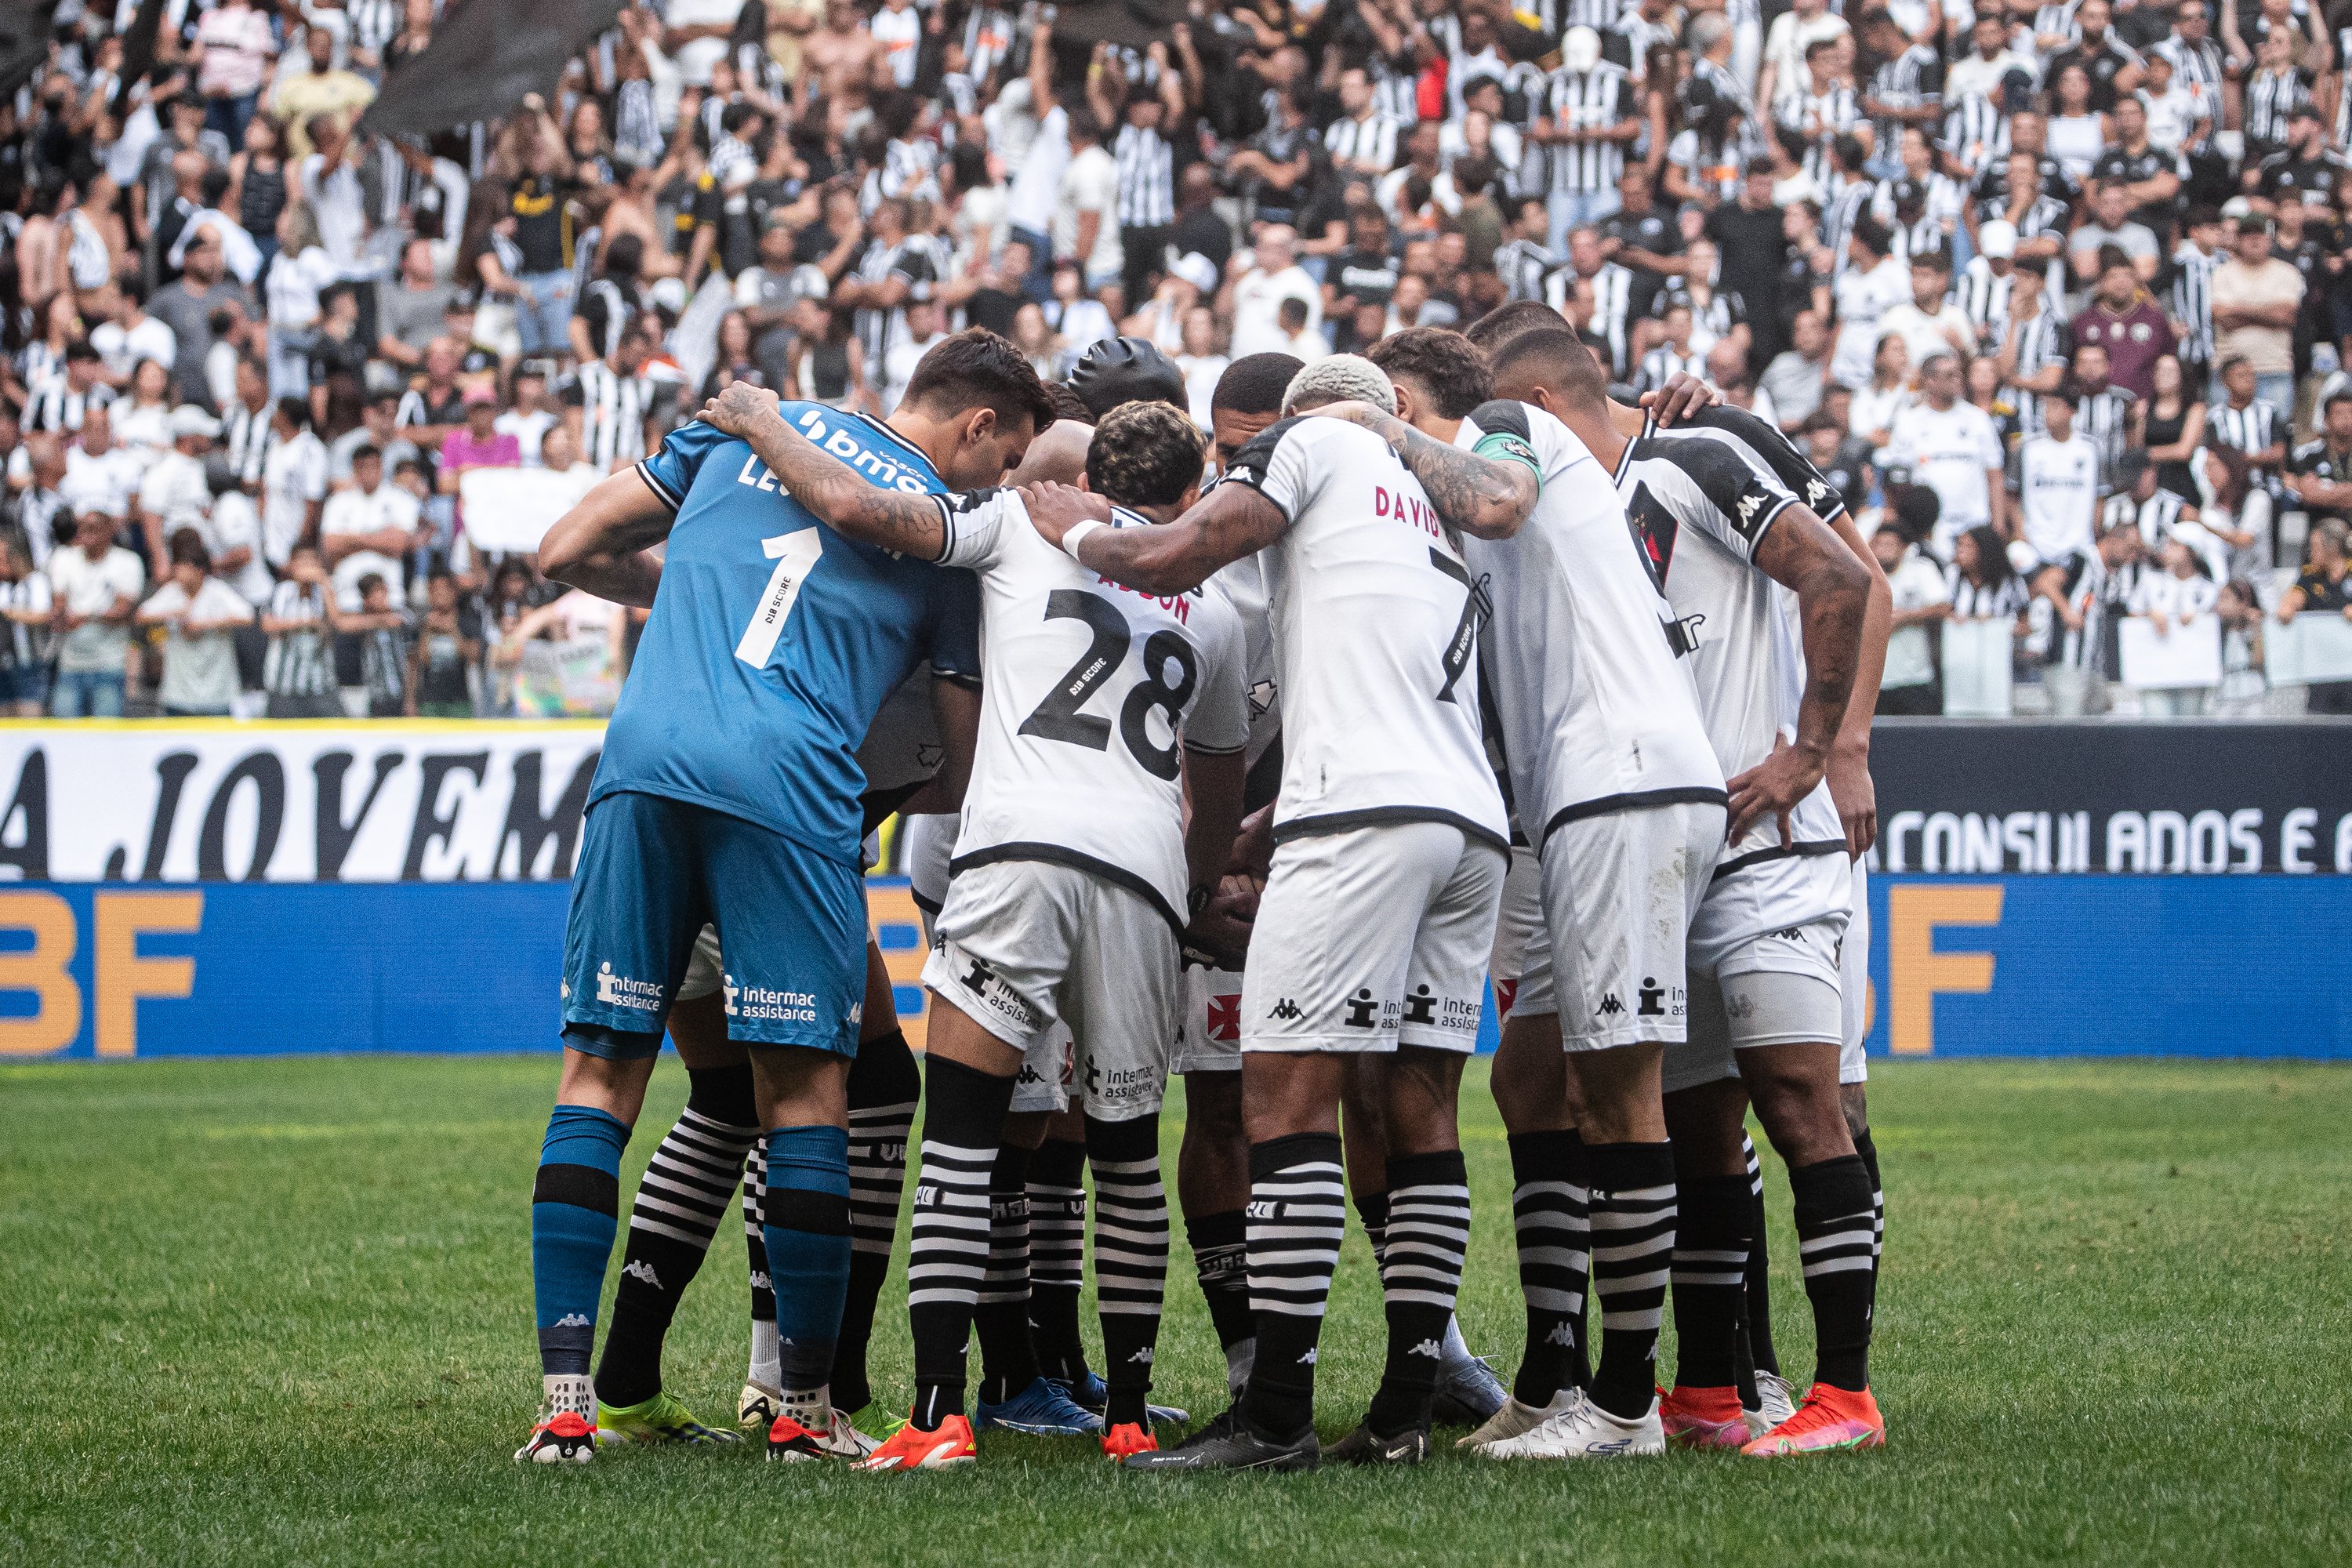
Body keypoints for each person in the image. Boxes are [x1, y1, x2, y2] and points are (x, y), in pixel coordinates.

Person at [513, 329, 1050, 1467]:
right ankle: (803, 1406)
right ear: (979, 428)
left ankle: (567, 1404)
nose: (994, 488)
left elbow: (562, 549)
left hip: (644, 757)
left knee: (601, 1070)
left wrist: (702, 595)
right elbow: (956, 764)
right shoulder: (952, 539)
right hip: (793, 783)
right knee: (805, 1090)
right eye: (1000, 465)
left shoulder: (751, 422)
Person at [701, 387, 1248, 1468]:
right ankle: (1130, 1417)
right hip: (1138, 873)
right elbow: (1220, 790)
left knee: (956, 1138)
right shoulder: (1217, 605)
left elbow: (863, 513)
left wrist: (765, 424)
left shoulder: (1010, 526)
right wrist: (1187, 893)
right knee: (1128, 1157)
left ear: (1088, 486)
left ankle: (939, 1413)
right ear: (1190, 496)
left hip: (1012, 855)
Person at [1022, 349, 1541, 1471]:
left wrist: (1075, 530)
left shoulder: (1314, 442)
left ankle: (1274, 1421)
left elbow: (1180, 552)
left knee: (1285, 1097)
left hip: (1358, 814)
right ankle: (1407, 1407)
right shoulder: (1434, 508)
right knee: (1418, 1106)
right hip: (1464, 820)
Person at [1887, 350, 2008, 555]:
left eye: (1959, 374)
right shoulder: (1909, 421)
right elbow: (1898, 481)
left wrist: (1998, 527)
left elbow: (1995, 476)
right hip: (1930, 530)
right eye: (1950, 375)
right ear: (1930, 381)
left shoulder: (1978, 419)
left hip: (1975, 526)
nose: (1958, 380)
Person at [135, 530, 250, 717]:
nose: (177, 571)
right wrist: (176, 614)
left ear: (199, 570)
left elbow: (247, 616)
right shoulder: (172, 592)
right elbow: (141, 616)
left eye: (183, 566)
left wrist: (204, 624)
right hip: (178, 693)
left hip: (217, 692)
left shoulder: (217, 591)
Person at [45, 509, 143, 718]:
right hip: (70, 663)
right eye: (81, 527)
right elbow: (59, 604)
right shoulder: (63, 558)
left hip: (109, 663)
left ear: (109, 531)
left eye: (93, 529)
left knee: (106, 735)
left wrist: (86, 617)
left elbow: (124, 611)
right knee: (64, 734)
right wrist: (60, 616)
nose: (84, 533)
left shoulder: (127, 562)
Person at [319, 445, 419, 611]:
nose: (369, 472)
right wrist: (381, 537)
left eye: (374, 466)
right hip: (347, 598)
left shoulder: (400, 498)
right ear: (355, 469)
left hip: (390, 597)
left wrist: (351, 539)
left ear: (381, 466)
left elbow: (399, 544)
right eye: (363, 467)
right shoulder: (338, 501)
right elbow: (330, 545)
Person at [2128, 538, 2222, 715]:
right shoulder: (2151, 580)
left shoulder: (2210, 589)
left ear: (2191, 552)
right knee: (2156, 725)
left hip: (2192, 672)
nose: (2167, 549)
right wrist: (2150, 614)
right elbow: (2132, 615)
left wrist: (2201, 619)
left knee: (2188, 728)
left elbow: (2218, 623)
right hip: (2154, 669)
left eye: (2175, 545)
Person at [2013, 390, 2102, 569]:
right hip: (2036, 545)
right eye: (2045, 406)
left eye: (2055, 406)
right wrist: (2019, 531)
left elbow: (2100, 497)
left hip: (2079, 547)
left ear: (2072, 411)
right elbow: (2013, 495)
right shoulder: (2028, 448)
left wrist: (2094, 532)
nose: (2048, 412)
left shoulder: (2091, 449)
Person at [1873, 523, 1951, 713]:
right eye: (1879, 545)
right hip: (1876, 681)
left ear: (1904, 548)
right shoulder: (1865, 576)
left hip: (1915, 677)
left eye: (1890, 545)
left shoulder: (1920, 571)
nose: (1884, 551)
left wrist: (1905, 617)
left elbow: (1943, 607)